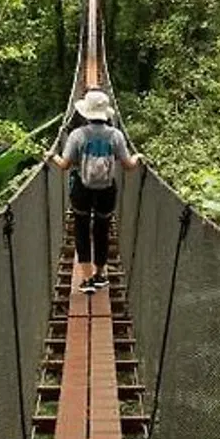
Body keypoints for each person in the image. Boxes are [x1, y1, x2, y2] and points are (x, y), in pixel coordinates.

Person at [46, 89, 141, 294]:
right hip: (106, 189)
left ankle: (87, 280)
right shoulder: (115, 135)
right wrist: (138, 157)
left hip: (82, 189)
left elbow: (64, 165)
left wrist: (51, 156)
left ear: (86, 112)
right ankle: (100, 275)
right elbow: (128, 165)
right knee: (102, 229)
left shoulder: (77, 135)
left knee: (81, 229)